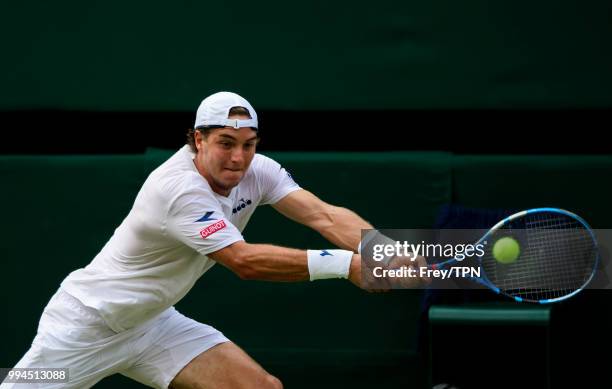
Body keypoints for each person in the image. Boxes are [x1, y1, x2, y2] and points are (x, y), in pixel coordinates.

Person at [1, 91, 428, 389]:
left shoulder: (258, 170)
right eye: (225, 143)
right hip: (86, 326)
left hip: (152, 323)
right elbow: (242, 260)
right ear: (198, 139)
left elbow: (324, 215)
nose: (238, 157)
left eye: (248, 144)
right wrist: (347, 265)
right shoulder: (178, 188)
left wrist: (383, 251)